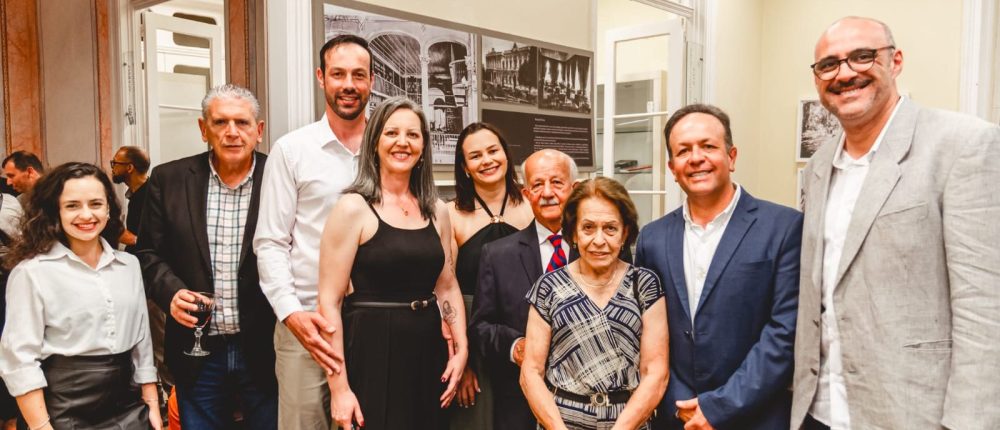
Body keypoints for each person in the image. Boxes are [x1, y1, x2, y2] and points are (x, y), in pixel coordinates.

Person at [792, 17, 1000, 430]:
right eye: (829, 65)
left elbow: (985, 308)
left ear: (896, 61)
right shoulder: (819, 165)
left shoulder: (963, 144)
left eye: (862, 56)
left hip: (910, 413)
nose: (845, 73)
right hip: (819, 409)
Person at [634, 104, 802, 429]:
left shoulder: (784, 228)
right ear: (672, 167)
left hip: (756, 418)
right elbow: (648, 334)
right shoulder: (652, 239)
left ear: (731, 156)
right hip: (677, 418)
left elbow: (785, 333)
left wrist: (717, 408)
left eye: (708, 146)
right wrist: (680, 406)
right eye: (683, 151)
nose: (696, 158)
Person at [316, 96, 468, 430]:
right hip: (371, 348)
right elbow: (329, 302)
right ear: (375, 143)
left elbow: (447, 286)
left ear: (423, 147)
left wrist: (461, 350)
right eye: (392, 133)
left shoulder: (437, 210)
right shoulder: (353, 208)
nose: (403, 142)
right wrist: (339, 388)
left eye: (413, 135)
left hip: (427, 347)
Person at [136, 84, 277, 428]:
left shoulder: (280, 177)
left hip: (265, 345)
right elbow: (147, 252)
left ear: (258, 130)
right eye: (220, 122)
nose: (232, 132)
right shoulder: (168, 180)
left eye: (242, 122)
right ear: (203, 129)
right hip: (197, 351)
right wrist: (170, 293)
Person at [253, 33, 372, 429]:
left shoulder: (388, 147)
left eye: (358, 75)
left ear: (372, 81)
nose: (349, 84)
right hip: (310, 323)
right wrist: (291, 314)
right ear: (321, 78)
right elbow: (270, 242)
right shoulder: (293, 150)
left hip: (375, 320)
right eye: (338, 74)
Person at [0, 162, 161, 429]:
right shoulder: (32, 272)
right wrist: (41, 426)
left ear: (108, 209)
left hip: (128, 404)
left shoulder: (129, 265)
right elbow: (20, 360)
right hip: (62, 406)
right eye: (72, 205)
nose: (86, 215)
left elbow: (141, 341)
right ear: (56, 211)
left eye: (95, 204)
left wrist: (152, 403)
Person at [520, 176, 668, 430]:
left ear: (625, 233)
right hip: (561, 422)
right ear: (573, 233)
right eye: (588, 227)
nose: (599, 240)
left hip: (629, 422)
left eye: (610, 228)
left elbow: (656, 372)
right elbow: (531, 372)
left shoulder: (644, 284)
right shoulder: (548, 287)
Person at [469, 148, 576, 429]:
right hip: (519, 406)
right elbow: (480, 327)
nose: (547, 193)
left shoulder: (600, 249)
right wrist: (515, 346)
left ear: (574, 189)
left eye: (557, 182)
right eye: (537, 185)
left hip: (590, 405)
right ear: (527, 194)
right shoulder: (497, 254)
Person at [446, 122, 533, 428]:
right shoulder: (450, 214)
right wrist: (462, 361)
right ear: (465, 167)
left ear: (506, 155)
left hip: (525, 334)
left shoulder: (532, 206)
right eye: (475, 156)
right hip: (472, 336)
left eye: (493, 151)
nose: (487, 160)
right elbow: (445, 289)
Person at [110, 146, 150, 254]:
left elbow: (151, 240)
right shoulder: (136, 194)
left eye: (115, 163)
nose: (112, 168)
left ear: (129, 168)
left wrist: (119, 233)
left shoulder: (152, 196)